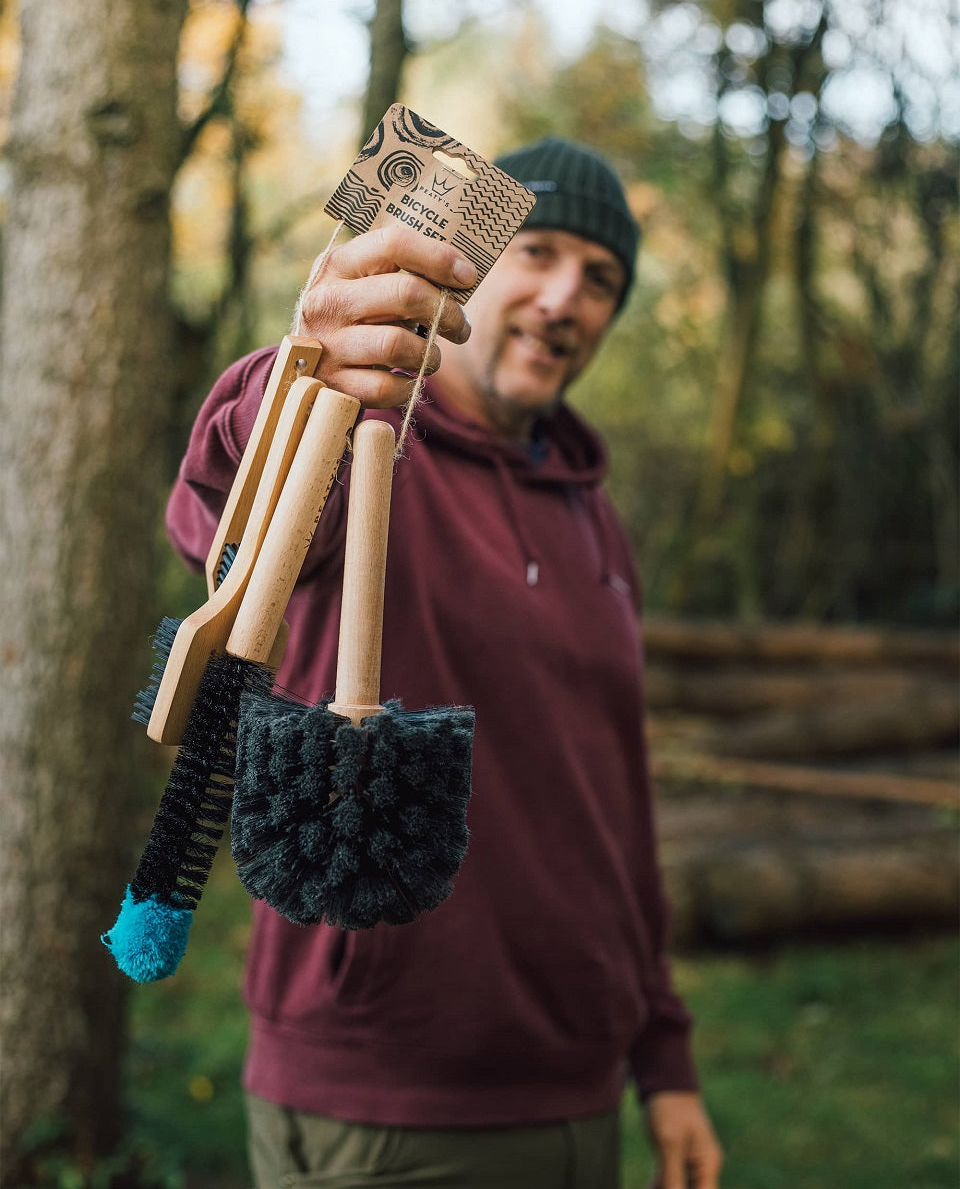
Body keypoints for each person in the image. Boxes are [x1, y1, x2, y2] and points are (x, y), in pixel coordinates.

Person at [167, 136, 723, 1189]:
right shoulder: (367, 443)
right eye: (540, 253)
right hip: (387, 1107)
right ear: (468, 260)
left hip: (579, 1086)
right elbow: (225, 521)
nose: (565, 299)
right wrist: (298, 374)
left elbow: (613, 802)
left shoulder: (596, 515)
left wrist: (665, 1055)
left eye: (600, 279)